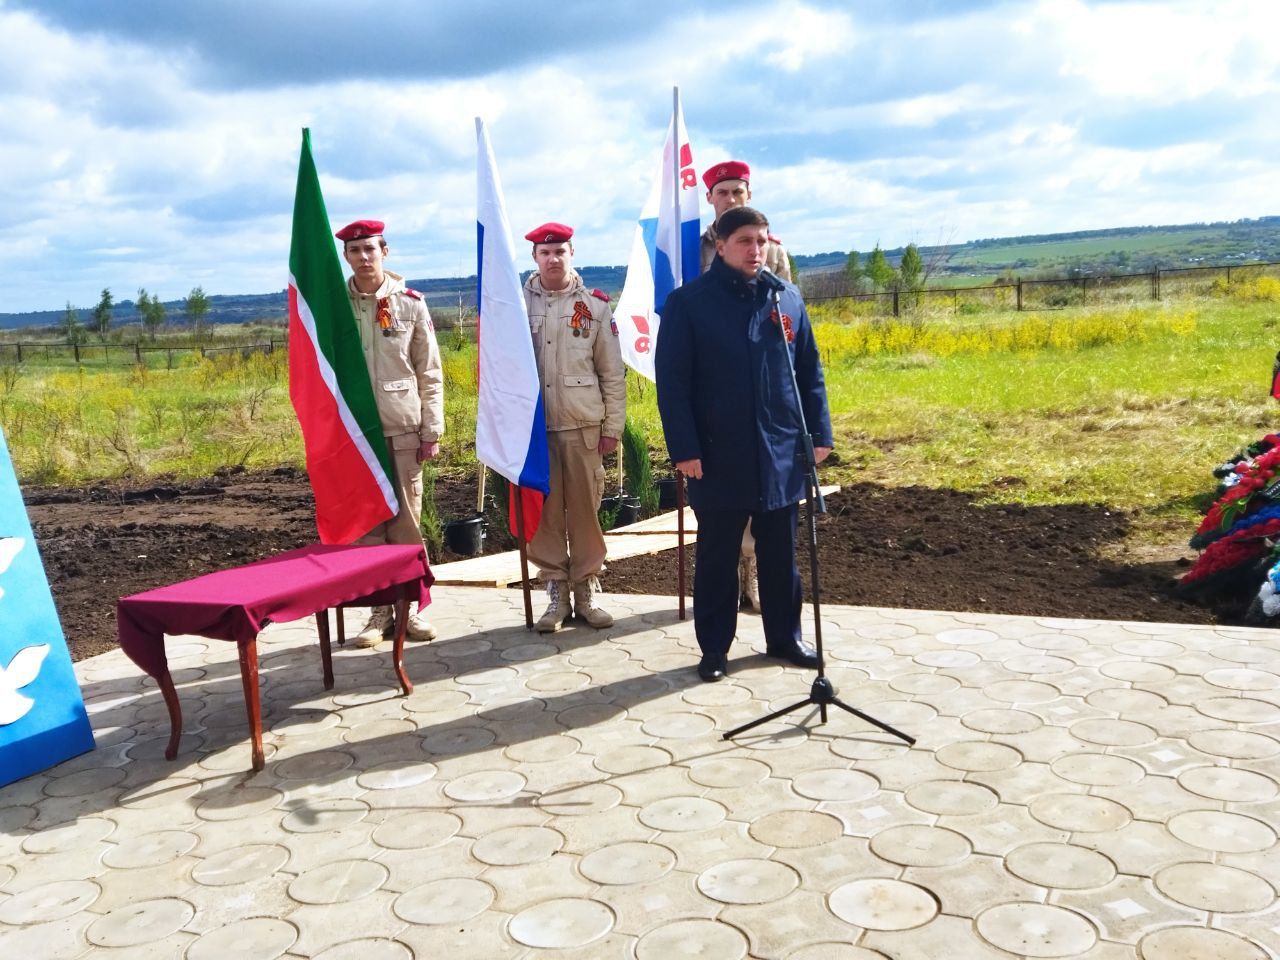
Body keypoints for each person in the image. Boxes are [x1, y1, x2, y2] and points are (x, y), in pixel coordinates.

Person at [656, 206, 833, 682]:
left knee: (780, 552)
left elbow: (809, 372)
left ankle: (785, 637)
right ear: (720, 243)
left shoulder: (785, 299)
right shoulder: (688, 303)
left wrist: (819, 435)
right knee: (717, 554)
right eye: (745, 241)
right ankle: (714, 647)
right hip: (716, 453)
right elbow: (673, 383)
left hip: (778, 452)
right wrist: (685, 448)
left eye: (761, 240)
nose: (756, 249)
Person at [335, 219, 445, 648]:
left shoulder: (411, 305)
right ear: (345, 256)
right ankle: (378, 611)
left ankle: (410, 610)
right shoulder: (335, 305)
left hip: (403, 428)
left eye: (370, 249)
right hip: (356, 434)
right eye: (355, 250)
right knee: (368, 526)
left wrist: (431, 429)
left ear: (385, 252)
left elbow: (430, 373)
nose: (364, 257)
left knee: (406, 523)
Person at [522, 222, 626, 632]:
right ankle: (556, 593)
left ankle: (585, 590)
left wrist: (612, 427)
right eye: (545, 253)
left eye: (560, 251)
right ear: (534, 258)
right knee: (546, 515)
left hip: (583, 426)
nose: (553, 258)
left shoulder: (596, 307)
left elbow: (611, 373)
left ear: (571, 253)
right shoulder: (516, 304)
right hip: (535, 431)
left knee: (585, 512)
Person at [699, 160, 791, 614]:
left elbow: (788, 319)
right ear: (710, 200)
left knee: (765, 500)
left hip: (762, 389)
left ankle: (750, 571)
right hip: (714, 388)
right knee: (720, 501)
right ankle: (723, 582)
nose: (731, 199)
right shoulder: (690, 248)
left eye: (739, 192)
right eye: (723, 193)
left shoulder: (771, 249)